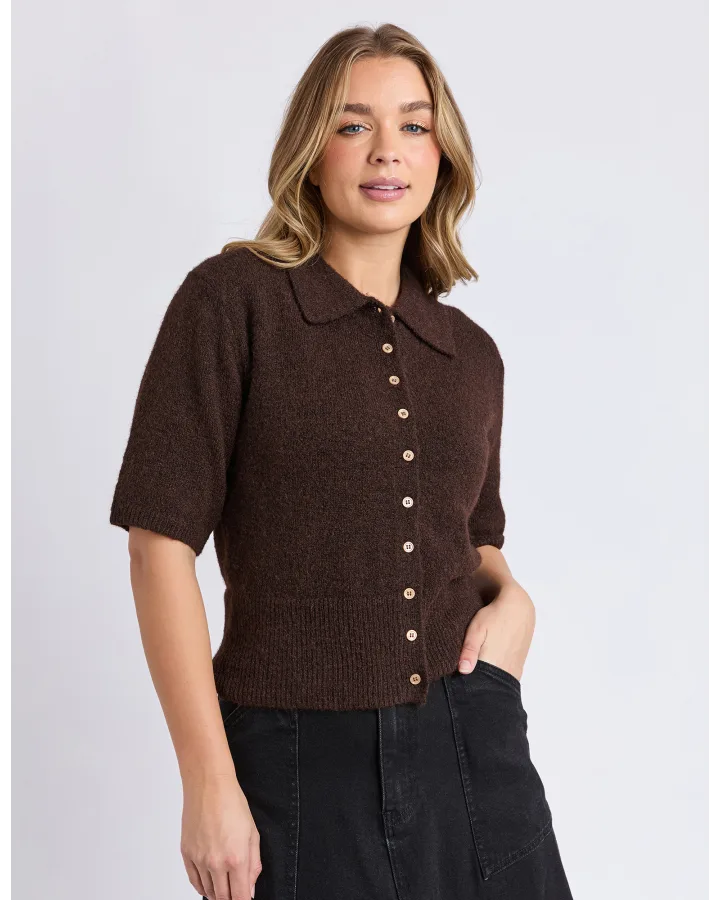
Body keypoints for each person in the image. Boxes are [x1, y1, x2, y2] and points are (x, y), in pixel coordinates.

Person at [109, 22, 574, 900]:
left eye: (414, 125)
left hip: (472, 744)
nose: (386, 149)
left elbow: (472, 538)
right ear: (310, 153)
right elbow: (158, 544)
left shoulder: (470, 353)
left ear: (442, 156)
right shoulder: (233, 302)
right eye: (354, 124)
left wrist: (514, 601)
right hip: (295, 761)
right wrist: (208, 782)